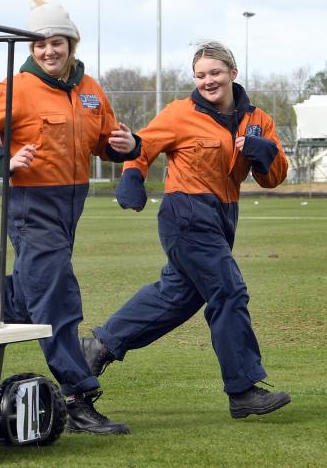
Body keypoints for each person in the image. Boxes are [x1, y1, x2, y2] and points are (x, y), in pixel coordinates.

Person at [0, 0, 139, 435]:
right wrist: (4, 161)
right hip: (31, 207)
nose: (47, 51)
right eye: (38, 44)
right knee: (57, 295)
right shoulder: (16, 88)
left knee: (32, 291)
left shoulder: (91, 88)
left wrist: (128, 147)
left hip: (70, 207)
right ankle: (77, 395)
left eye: (54, 42)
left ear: (71, 43)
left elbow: (106, 142)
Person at [82, 41, 291, 419]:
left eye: (215, 73)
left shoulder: (258, 120)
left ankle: (98, 346)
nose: (208, 81)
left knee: (176, 297)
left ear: (233, 73)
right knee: (229, 291)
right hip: (186, 213)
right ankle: (243, 390)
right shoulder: (180, 113)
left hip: (224, 217)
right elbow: (141, 147)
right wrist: (132, 177)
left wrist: (266, 155)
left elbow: (274, 177)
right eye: (200, 75)